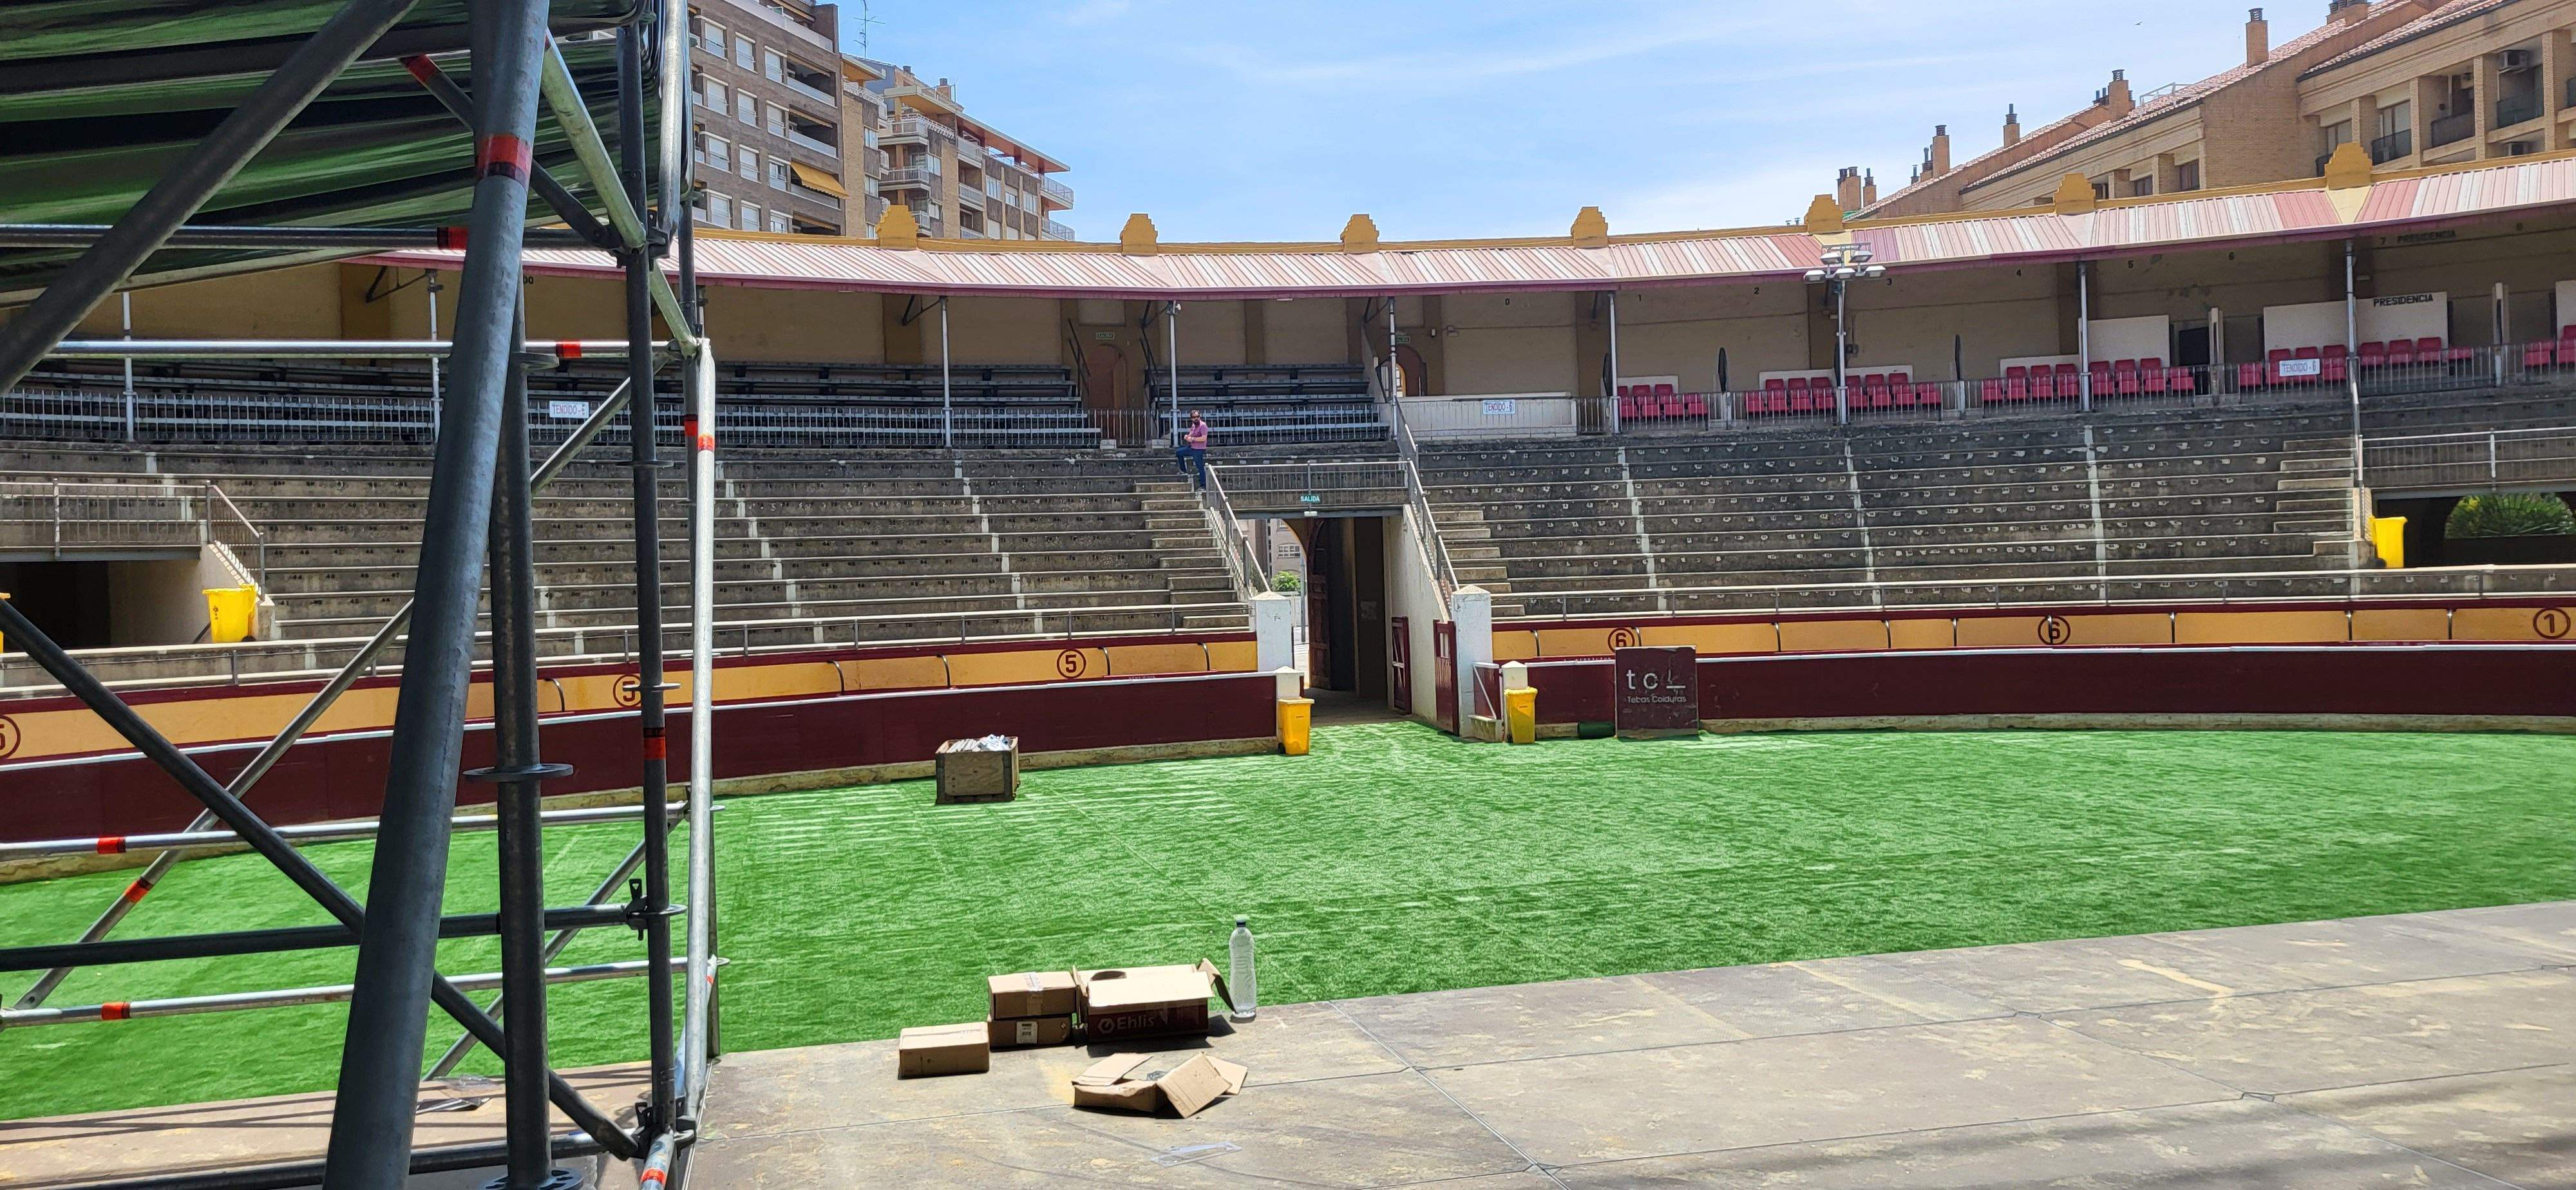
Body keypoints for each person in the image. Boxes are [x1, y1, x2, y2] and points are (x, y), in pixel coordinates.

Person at [1179, 410, 1211, 489]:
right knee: (1179, 453)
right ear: (1192, 418)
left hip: (1199, 449)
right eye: (1194, 417)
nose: (1196, 418)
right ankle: (1183, 470)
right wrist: (1187, 437)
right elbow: (1191, 435)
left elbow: (1204, 438)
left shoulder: (1203, 425)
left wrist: (1193, 439)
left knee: (1200, 466)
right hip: (1192, 447)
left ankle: (1203, 485)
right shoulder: (1194, 425)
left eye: (1198, 417)